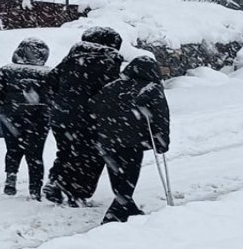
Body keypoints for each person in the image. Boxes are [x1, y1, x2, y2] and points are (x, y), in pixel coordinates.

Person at [42, 26, 123, 206]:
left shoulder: (71, 58)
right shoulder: (110, 60)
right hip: (90, 117)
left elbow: (49, 81)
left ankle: (56, 181)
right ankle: (76, 193)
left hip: (61, 116)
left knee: (66, 151)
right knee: (91, 156)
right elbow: (111, 91)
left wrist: (60, 102)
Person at [89, 55, 170, 224]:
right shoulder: (151, 88)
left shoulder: (112, 86)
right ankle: (113, 215)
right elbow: (161, 117)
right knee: (129, 177)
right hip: (132, 141)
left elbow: (94, 108)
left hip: (107, 139)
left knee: (118, 176)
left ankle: (129, 210)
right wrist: (162, 141)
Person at [0, 38, 53, 200]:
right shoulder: (48, 73)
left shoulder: (7, 70)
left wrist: (3, 106)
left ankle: (11, 177)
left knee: (13, 149)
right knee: (35, 154)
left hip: (11, 117)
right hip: (39, 118)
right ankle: (35, 189)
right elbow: (56, 95)